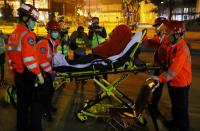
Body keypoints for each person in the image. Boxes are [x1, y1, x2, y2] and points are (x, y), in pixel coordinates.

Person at [7, 4, 44, 131]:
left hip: (18, 75)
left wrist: (13, 73)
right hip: (28, 76)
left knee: (22, 106)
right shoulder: (28, 35)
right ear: (25, 18)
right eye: (33, 20)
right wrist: (39, 75)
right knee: (36, 103)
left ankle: (21, 127)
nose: (34, 23)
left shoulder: (13, 34)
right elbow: (29, 60)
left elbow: (10, 57)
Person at [152, 25, 191, 131]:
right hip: (174, 83)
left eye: (169, 35)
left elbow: (173, 72)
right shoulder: (173, 46)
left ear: (177, 35)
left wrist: (159, 79)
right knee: (175, 106)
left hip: (181, 84)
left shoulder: (181, 49)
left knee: (181, 109)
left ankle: (183, 127)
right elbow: (168, 63)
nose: (167, 37)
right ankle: (176, 122)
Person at [142, 17, 171, 118]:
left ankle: (154, 108)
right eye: (155, 26)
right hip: (159, 69)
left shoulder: (167, 38)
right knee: (156, 90)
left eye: (157, 26)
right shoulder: (160, 37)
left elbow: (163, 49)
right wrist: (143, 37)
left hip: (165, 69)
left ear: (164, 26)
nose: (155, 28)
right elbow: (150, 43)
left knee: (161, 90)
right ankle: (153, 108)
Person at [36, 20, 60, 121]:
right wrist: (51, 72)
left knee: (51, 91)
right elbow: (42, 61)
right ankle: (46, 113)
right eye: (54, 31)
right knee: (45, 94)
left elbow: (53, 56)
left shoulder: (52, 42)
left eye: (57, 31)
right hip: (42, 73)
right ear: (49, 32)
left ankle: (48, 107)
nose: (56, 33)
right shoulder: (43, 43)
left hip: (47, 71)